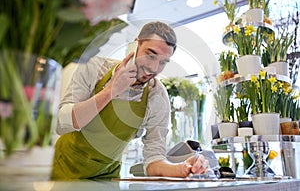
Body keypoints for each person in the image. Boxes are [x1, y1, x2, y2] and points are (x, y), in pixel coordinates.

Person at [51, 21, 209, 180]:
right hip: (65, 167)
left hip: (107, 176)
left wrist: (182, 168)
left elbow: (153, 160)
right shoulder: (94, 68)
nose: (154, 68)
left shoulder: (157, 96)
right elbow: (61, 123)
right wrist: (111, 91)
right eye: (150, 54)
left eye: (162, 62)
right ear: (135, 45)